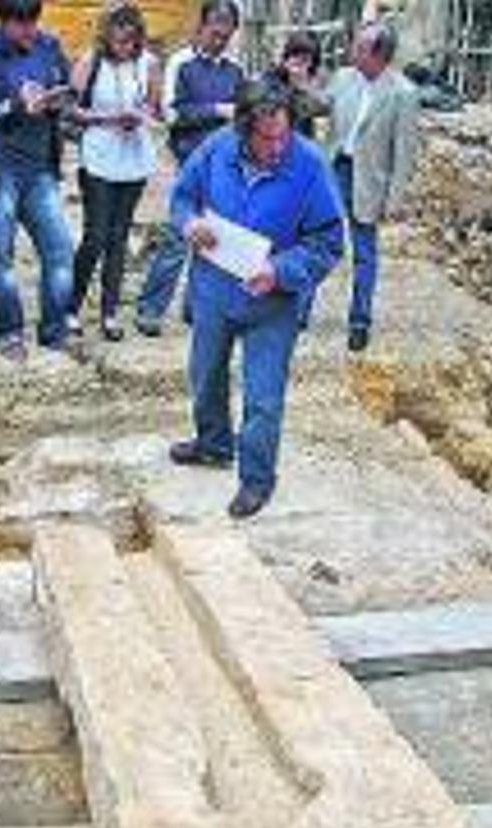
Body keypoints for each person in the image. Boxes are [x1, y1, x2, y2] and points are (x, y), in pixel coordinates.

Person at [168, 79, 344, 519]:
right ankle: (212, 445)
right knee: (204, 374)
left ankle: (257, 480)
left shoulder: (310, 165)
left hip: (274, 302)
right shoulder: (216, 149)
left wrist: (280, 271)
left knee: (263, 398)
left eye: (284, 135)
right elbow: (183, 196)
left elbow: (328, 242)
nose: (278, 146)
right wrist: (189, 224)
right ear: (244, 131)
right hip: (214, 288)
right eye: (267, 138)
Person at [0, 0, 75, 361]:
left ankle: (54, 330)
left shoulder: (49, 45)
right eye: (20, 22)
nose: (29, 29)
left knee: (59, 251)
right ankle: (10, 331)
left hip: (40, 165)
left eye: (33, 20)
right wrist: (15, 104)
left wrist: (58, 101)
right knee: (2, 258)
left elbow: (67, 90)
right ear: (2, 21)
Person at [133, 0, 242, 338]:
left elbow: (242, 116)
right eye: (215, 33)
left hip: (225, 165)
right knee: (179, 238)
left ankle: (196, 308)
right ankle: (150, 310)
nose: (220, 40)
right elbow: (172, 115)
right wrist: (217, 110)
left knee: (213, 240)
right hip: (189, 162)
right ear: (201, 27)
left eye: (226, 35)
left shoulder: (235, 70)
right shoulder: (181, 63)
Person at [319, 20, 419, 352]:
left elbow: (404, 153)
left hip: (369, 179)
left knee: (364, 254)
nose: (352, 52)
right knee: (317, 240)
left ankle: (359, 320)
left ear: (379, 55)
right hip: (335, 168)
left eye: (360, 47)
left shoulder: (403, 93)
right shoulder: (343, 78)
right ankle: (300, 310)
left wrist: (395, 199)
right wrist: (296, 84)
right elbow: (320, 106)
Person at [66, 1, 159, 343]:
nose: (125, 47)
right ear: (107, 36)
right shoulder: (91, 61)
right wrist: (105, 119)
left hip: (133, 155)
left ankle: (110, 310)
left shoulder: (148, 64)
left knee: (120, 237)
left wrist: (141, 114)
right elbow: (70, 108)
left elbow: (154, 105)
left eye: (131, 41)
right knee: (96, 235)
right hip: (99, 154)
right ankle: (71, 306)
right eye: (119, 40)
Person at [261, 30, 328, 140]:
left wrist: (304, 90)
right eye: (294, 55)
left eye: (304, 59)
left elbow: (322, 129)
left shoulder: (316, 87)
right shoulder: (269, 80)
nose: (297, 62)